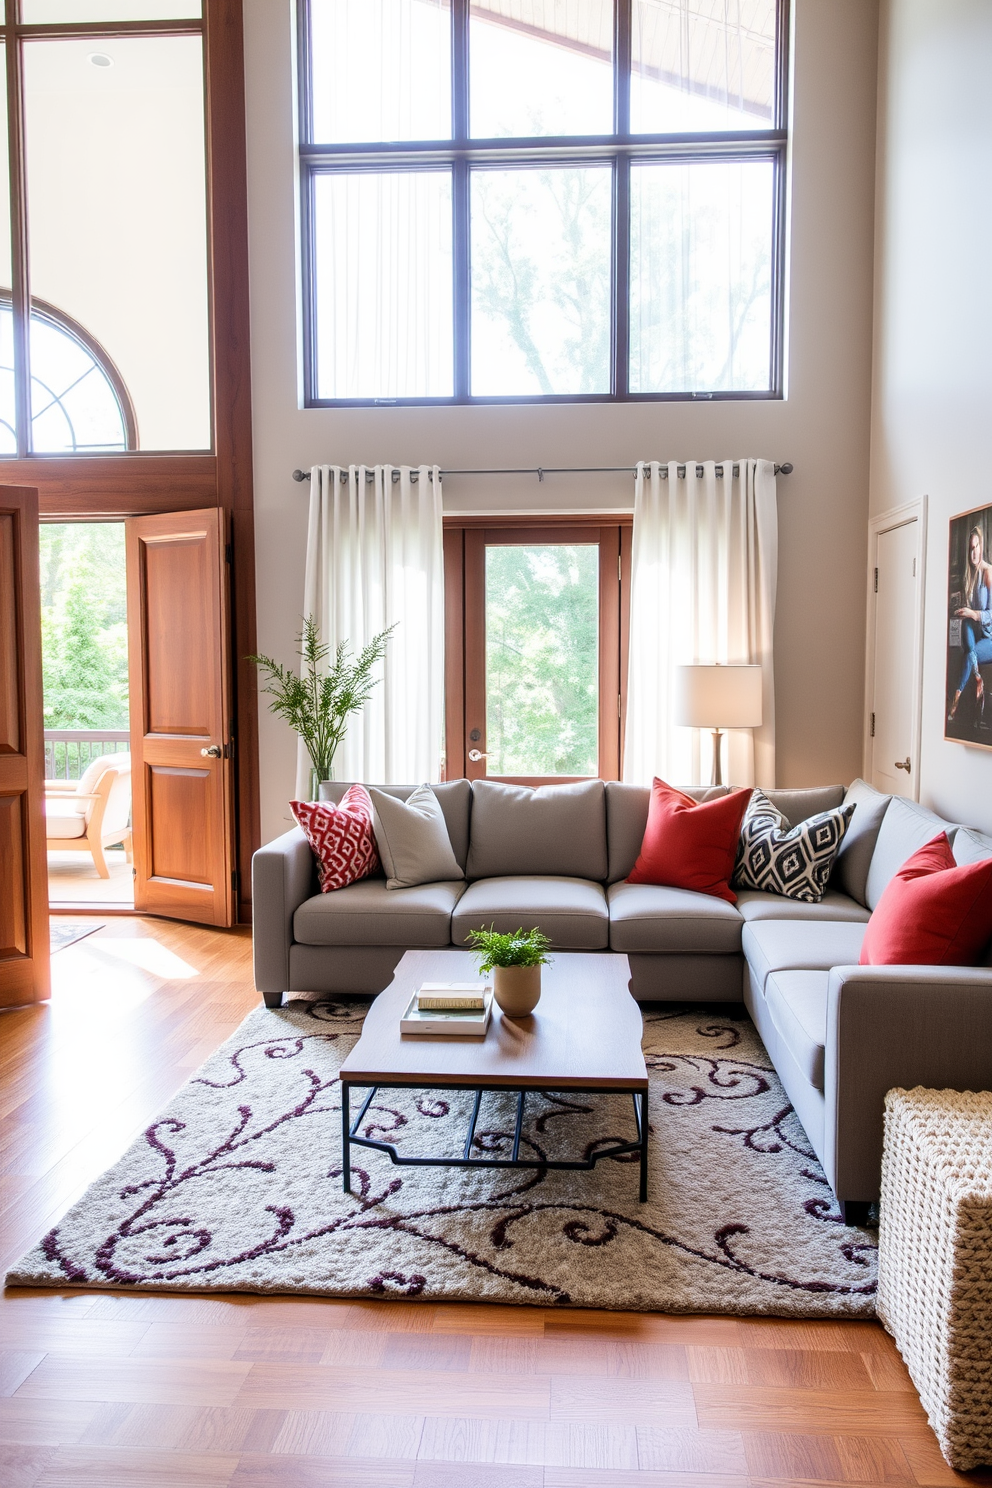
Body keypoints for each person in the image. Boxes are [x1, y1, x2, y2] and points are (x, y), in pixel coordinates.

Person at [948, 524, 992, 722]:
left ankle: (956, 696)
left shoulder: (988, 573)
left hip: (990, 638)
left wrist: (973, 613)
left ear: (982, 547)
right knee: (965, 623)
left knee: (969, 653)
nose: (973, 553)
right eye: (970, 549)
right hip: (977, 632)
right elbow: (972, 618)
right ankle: (977, 677)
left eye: (976, 547)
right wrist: (965, 613)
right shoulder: (971, 576)